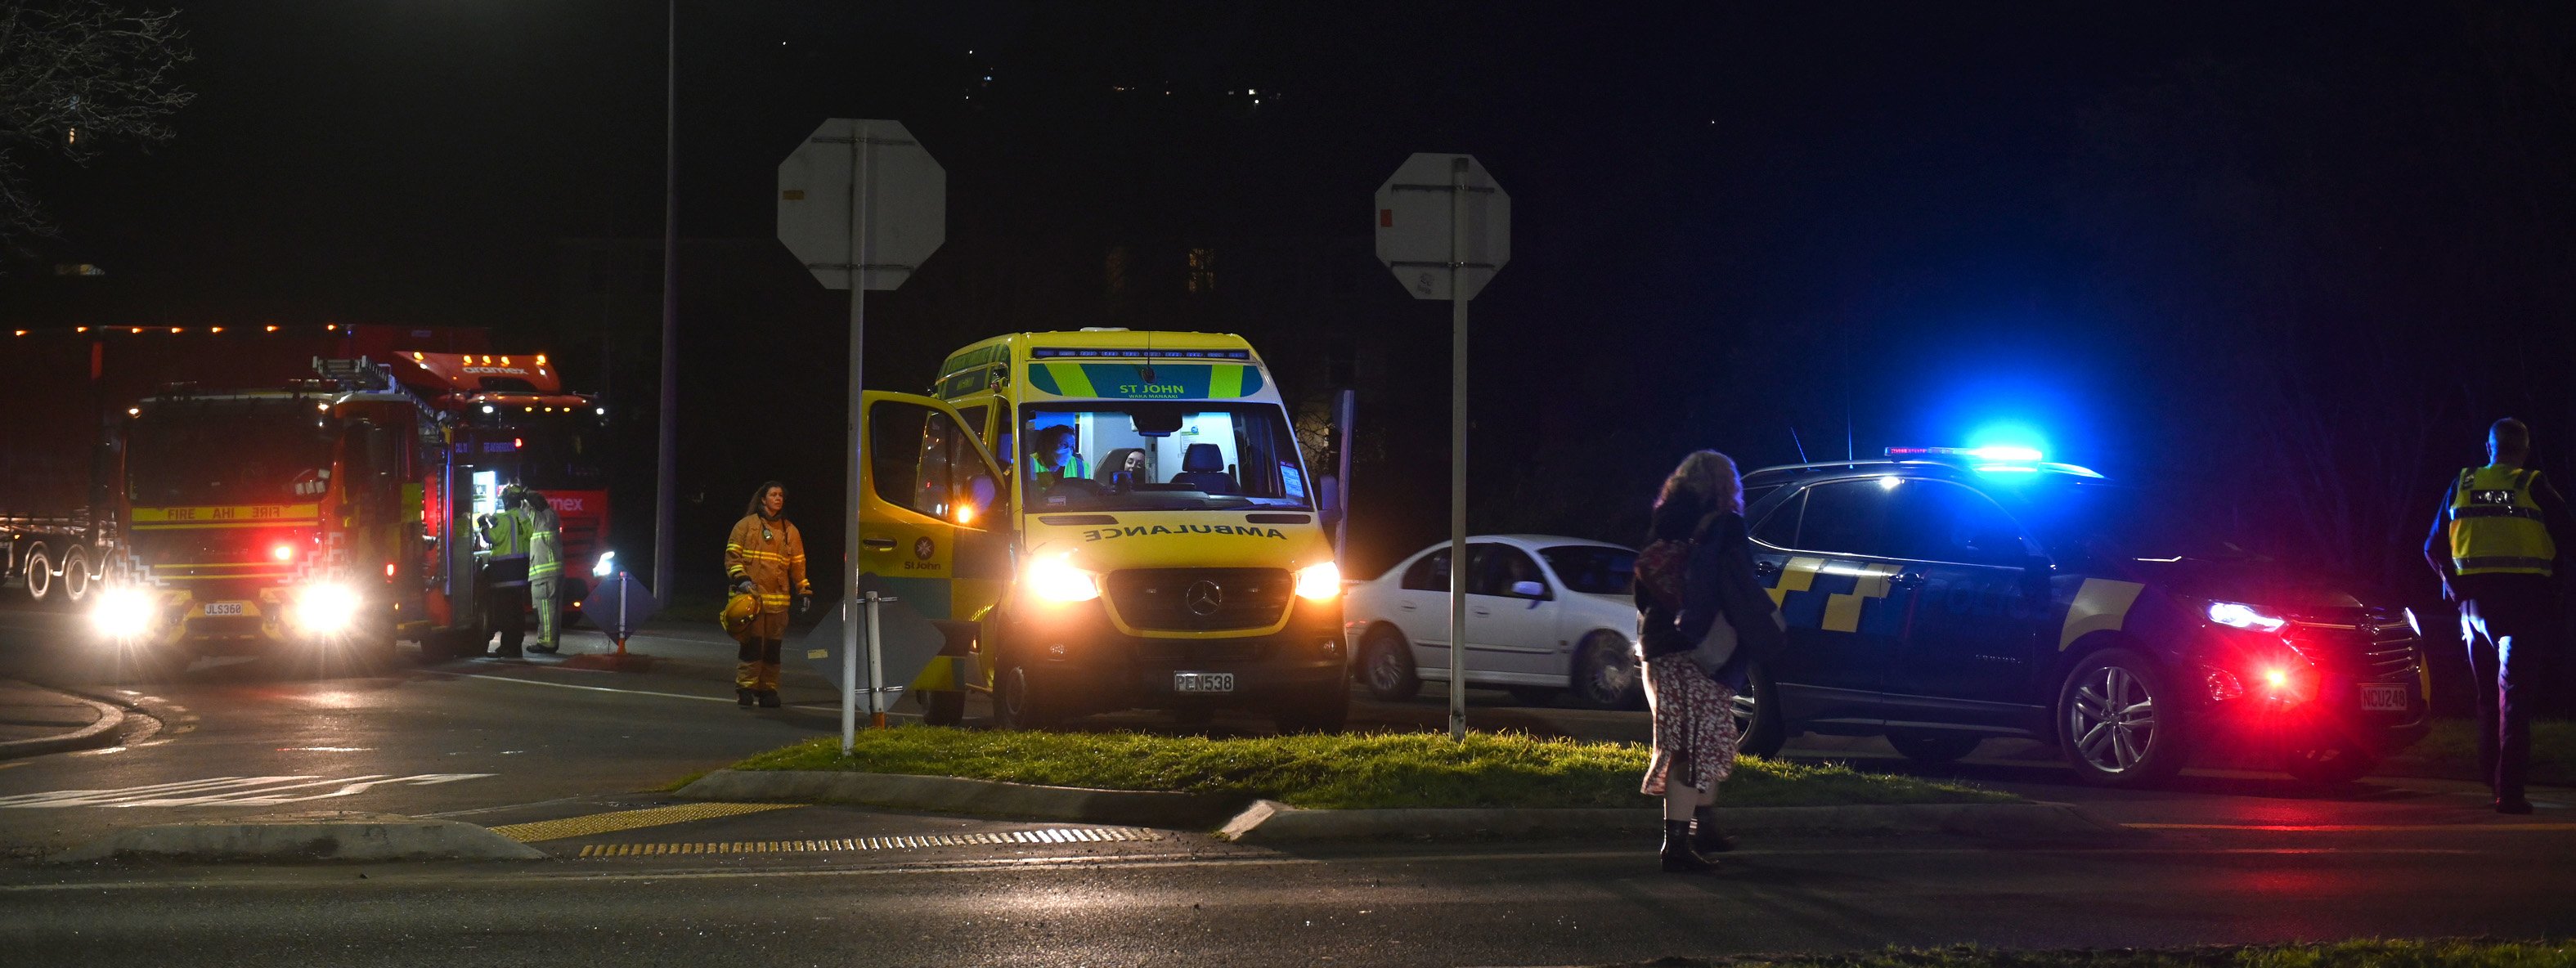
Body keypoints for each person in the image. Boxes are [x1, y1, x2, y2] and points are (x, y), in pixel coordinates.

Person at [1633, 450, 1783, 873]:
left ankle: (1703, 828)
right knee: (1692, 747)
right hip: (1701, 646)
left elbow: (1644, 593)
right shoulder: (1724, 526)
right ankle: (1677, 846)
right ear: (1727, 486)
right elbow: (1738, 585)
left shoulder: (1662, 527)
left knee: (1701, 739)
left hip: (1660, 646)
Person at [2425, 418, 2574, 813]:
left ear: (2489, 448)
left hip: (2474, 607)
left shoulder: (2465, 484)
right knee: (2516, 699)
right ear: (2523, 450)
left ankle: (2489, 778)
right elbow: (2570, 535)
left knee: (2488, 698)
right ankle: (2508, 793)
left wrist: (2456, 591)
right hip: (2526, 604)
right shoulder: (2532, 484)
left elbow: (2432, 547)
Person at [725, 481, 811, 708]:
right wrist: (742, 580)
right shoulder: (745, 526)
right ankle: (745, 688)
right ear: (763, 499)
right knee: (752, 647)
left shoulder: (790, 531)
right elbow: (732, 558)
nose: (778, 498)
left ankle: (768, 691)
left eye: (781, 495)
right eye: (773, 494)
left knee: (773, 650)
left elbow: (798, 565)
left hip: (778, 605)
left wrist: (804, 590)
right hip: (752, 600)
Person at [476, 484, 536, 658]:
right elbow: (522, 534)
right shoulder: (524, 518)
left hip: (504, 574)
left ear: (507, 501)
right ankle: (515, 647)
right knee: (517, 612)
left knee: (505, 613)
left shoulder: (504, 519)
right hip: (520, 573)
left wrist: (483, 525)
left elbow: (491, 538)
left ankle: (508, 648)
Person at [523, 489, 565, 655]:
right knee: (549, 611)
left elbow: (527, 512)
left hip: (545, 576)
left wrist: (522, 498)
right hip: (551, 574)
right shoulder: (551, 515)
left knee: (546, 611)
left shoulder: (541, 520)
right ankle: (548, 641)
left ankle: (547, 644)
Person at [1025, 425, 1088, 493]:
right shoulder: (1028, 463)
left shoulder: (1081, 466)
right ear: (1049, 444)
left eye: (1071, 447)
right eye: (1064, 445)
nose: (1069, 451)